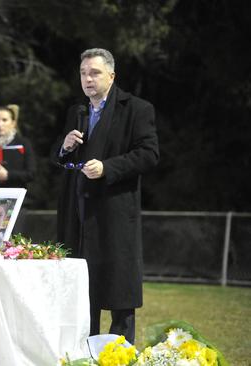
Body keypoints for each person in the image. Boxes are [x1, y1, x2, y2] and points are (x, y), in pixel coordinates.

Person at [50, 48, 159, 343]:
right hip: (78, 213)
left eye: (95, 73)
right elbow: (56, 157)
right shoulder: (77, 111)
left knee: (118, 289)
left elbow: (149, 155)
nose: (88, 79)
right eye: (84, 73)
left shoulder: (137, 108)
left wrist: (108, 167)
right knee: (82, 290)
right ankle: (83, 351)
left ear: (111, 75)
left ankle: (119, 354)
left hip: (114, 212)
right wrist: (65, 146)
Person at [0, 104, 36, 188]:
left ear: (13, 123)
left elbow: (31, 174)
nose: (0, 124)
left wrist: (8, 175)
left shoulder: (23, 143)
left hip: (17, 194)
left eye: (4, 120)